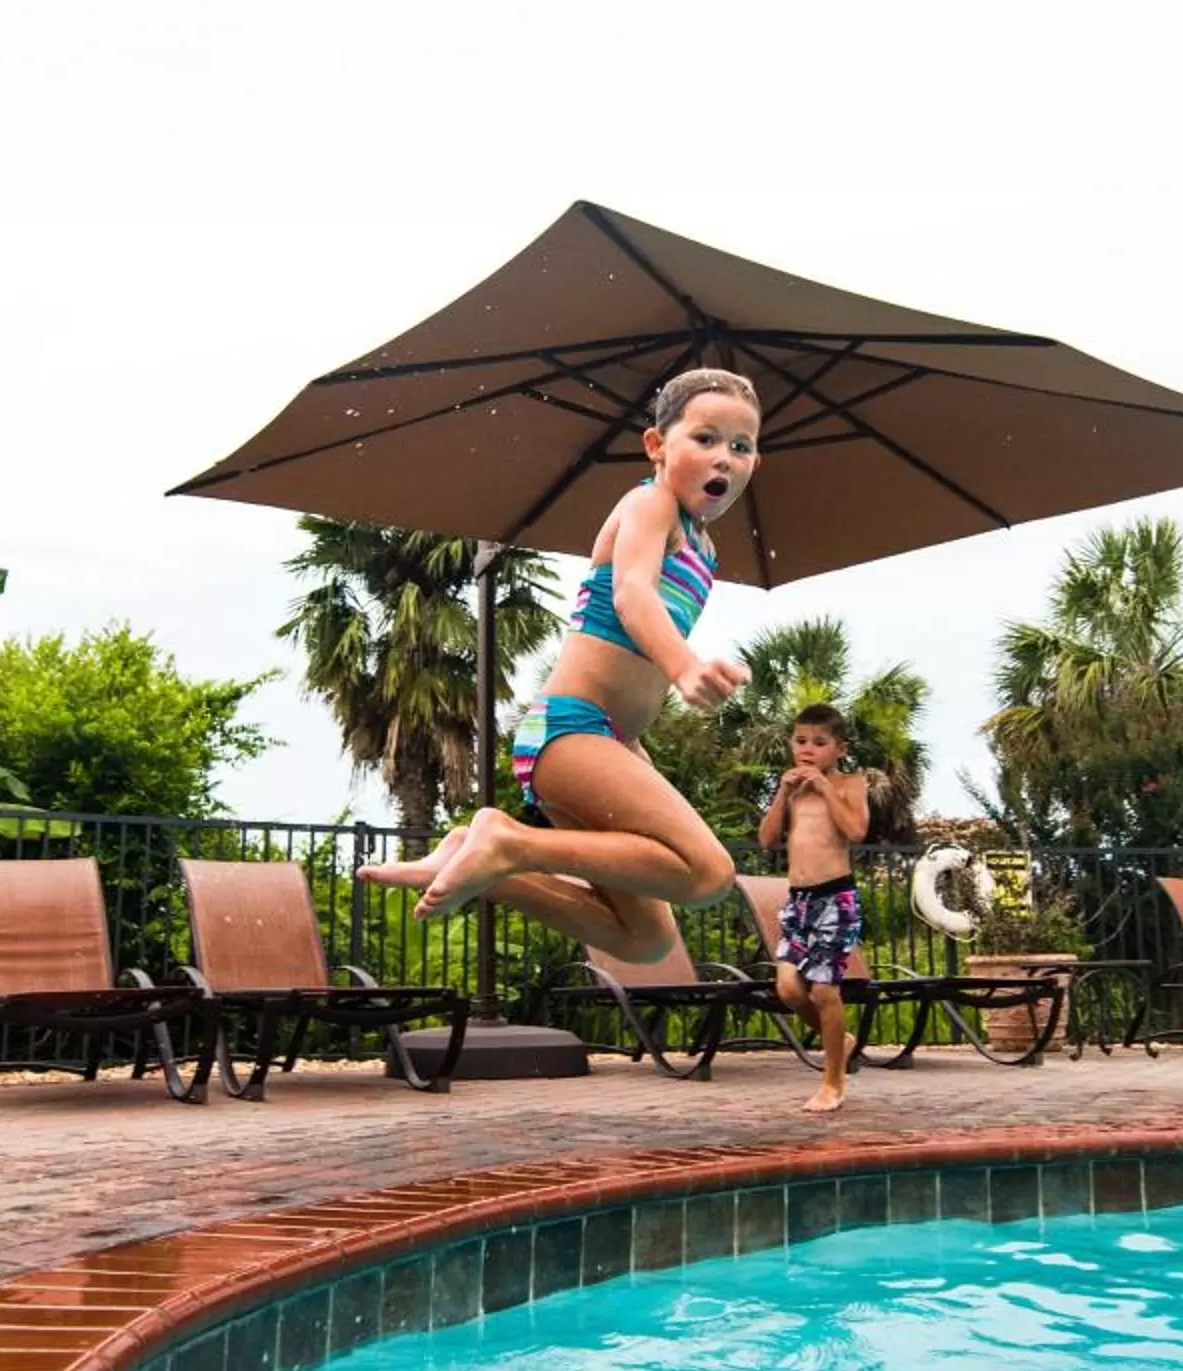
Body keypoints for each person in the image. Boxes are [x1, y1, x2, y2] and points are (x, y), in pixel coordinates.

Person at [358, 368, 756, 962]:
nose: (724, 458)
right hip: (570, 730)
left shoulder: (706, 548)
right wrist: (684, 666)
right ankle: (511, 840)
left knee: (646, 940)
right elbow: (632, 594)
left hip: (611, 744)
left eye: (741, 446)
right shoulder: (650, 505)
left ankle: (485, 856)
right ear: (656, 445)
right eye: (705, 438)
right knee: (705, 874)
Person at [758, 703, 871, 1113]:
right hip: (799, 902)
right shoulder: (792, 790)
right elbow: (767, 840)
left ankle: (833, 1083)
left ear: (838, 749)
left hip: (835, 899)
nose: (808, 750)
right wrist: (783, 793)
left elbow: (856, 831)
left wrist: (826, 788)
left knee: (824, 990)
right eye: (801, 741)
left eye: (819, 743)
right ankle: (840, 1043)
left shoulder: (850, 783)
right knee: (789, 990)